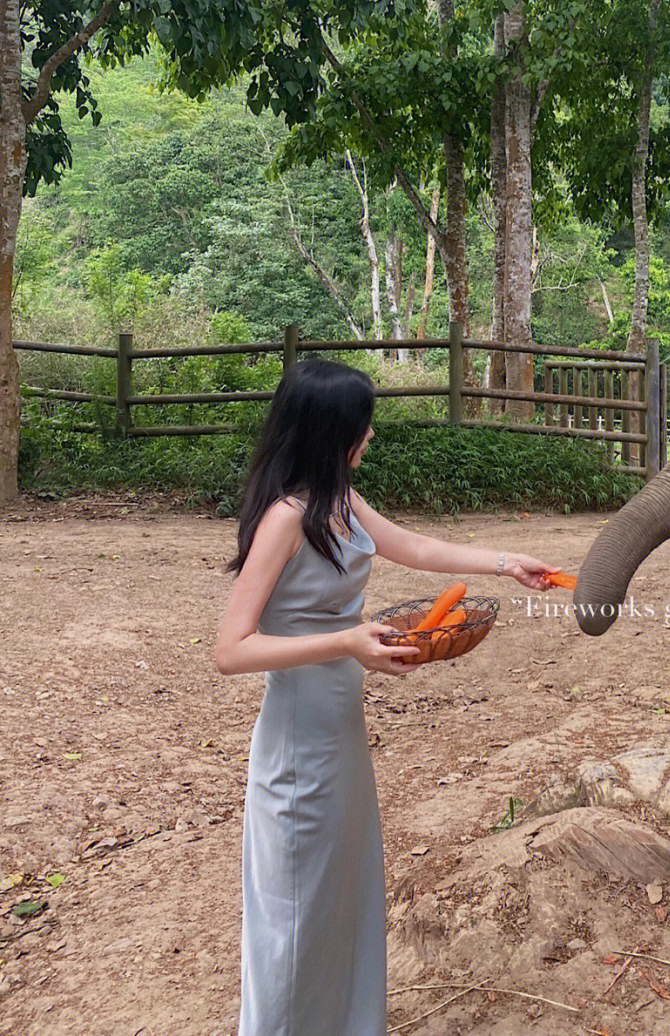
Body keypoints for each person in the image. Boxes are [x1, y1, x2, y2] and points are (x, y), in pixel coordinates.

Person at [214, 358, 554, 1036]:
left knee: (340, 901)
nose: (371, 436)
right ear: (333, 433)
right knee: (295, 915)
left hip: (340, 743)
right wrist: (346, 642)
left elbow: (415, 547)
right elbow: (231, 649)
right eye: (363, 426)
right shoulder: (287, 518)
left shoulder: (337, 498)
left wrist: (504, 561)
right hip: (296, 749)